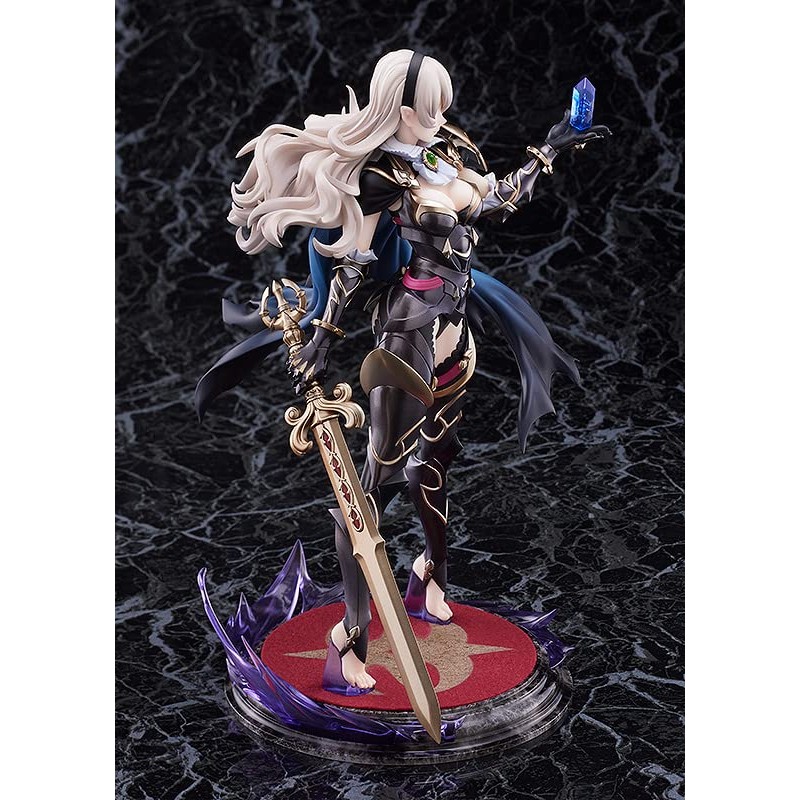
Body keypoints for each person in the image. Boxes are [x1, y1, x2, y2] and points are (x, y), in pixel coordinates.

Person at [195, 49, 611, 695]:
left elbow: (496, 200)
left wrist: (553, 147)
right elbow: (353, 260)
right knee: (373, 490)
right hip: (406, 336)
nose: (436, 118)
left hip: (455, 332)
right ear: (396, 106)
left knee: (436, 461)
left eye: (442, 107)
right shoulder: (378, 176)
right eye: (425, 109)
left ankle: (429, 578)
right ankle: (348, 639)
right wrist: (323, 336)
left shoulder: (446, 152)